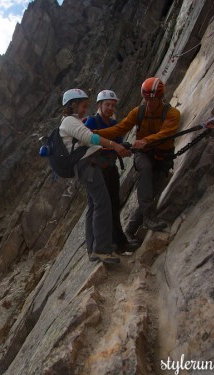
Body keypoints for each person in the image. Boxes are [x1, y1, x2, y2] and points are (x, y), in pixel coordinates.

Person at [95, 78, 180, 243]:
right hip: (144, 155)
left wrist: (146, 140)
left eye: (151, 99)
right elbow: (119, 128)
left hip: (163, 157)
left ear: (160, 97)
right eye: (145, 98)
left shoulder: (172, 114)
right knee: (145, 169)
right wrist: (92, 134)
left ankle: (130, 231)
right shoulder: (138, 112)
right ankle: (149, 217)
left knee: (151, 193)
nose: (148, 103)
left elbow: (166, 133)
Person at [59, 88, 131, 264]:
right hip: (87, 166)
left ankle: (93, 248)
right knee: (103, 203)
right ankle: (102, 250)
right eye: (83, 106)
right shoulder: (69, 121)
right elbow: (91, 138)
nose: (85, 110)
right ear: (73, 104)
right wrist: (114, 145)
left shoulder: (72, 121)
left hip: (86, 166)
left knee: (94, 205)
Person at [84, 90, 139, 254]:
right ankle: (94, 246)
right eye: (107, 104)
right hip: (94, 169)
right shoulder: (91, 122)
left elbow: (119, 144)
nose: (110, 108)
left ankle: (119, 242)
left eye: (112, 105)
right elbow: (86, 143)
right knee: (97, 206)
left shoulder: (113, 124)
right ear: (99, 105)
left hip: (109, 167)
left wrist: (125, 150)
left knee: (113, 204)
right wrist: (114, 148)